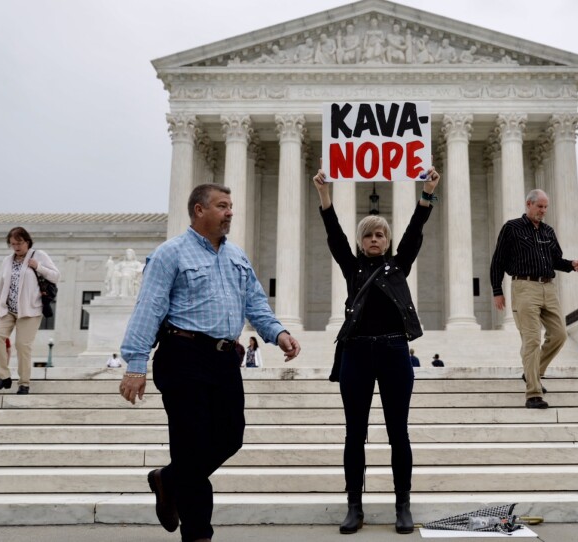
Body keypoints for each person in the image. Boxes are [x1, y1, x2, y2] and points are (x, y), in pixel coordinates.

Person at [118, 183, 301, 542]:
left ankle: (167, 479)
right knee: (190, 445)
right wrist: (136, 364)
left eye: (231, 206)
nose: (230, 212)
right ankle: (199, 534)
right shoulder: (171, 254)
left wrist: (277, 333)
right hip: (182, 355)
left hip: (223, 359)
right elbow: (149, 308)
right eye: (222, 206)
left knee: (231, 436)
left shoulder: (237, 257)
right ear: (199, 210)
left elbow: (255, 302)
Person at [312, 164, 440, 535]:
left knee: (398, 431)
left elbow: (415, 231)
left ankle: (403, 504)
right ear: (360, 241)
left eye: (380, 234)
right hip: (356, 353)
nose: (374, 239)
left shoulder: (399, 266)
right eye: (368, 234)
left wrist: (427, 192)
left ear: (387, 240)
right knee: (355, 432)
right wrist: (325, 195)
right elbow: (333, 233)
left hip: (394, 352)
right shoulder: (351, 268)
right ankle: (355, 505)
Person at [489, 189, 578, 409]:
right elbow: (498, 261)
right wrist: (497, 290)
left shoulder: (548, 231)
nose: (543, 211)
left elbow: (556, 260)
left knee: (559, 334)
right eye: (540, 206)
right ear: (529, 204)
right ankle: (533, 393)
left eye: (546, 207)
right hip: (524, 287)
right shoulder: (511, 228)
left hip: (548, 288)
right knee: (531, 340)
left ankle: (534, 372)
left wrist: (571, 265)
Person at [0, 227, 60, 395]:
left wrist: (38, 266)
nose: (16, 247)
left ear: (27, 241)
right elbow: (0, 287)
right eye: (13, 244)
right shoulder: (7, 261)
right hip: (7, 310)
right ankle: (4, 377)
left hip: (29, 311)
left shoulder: (38, 255)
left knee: (22, 345)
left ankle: (24, 383)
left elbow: (56, 276)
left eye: (19, 243)